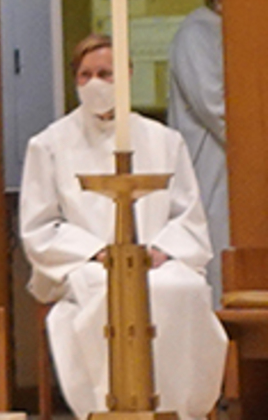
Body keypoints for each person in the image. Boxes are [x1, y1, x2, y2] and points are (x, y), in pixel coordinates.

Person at [19, 30, 228, 419]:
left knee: (182, 290)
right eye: (85, 75)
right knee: (110, 294)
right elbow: (40, 226)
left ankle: (179, 408)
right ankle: (109, 407)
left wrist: (161, 250)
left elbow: (187, 215)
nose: (95, 83)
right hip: (86, 265)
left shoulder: (164, 140)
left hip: (155, 262)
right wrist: (97, 252)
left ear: (127, 75)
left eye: (106, 73)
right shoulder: (49, 145)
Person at [171, 0, 229, 293]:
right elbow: (214, 105)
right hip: (214, 165)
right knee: (219, 263)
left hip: (237, 169)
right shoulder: (196, 33)